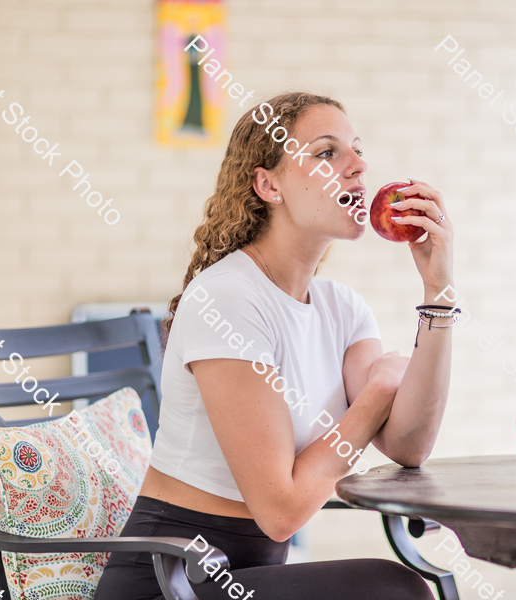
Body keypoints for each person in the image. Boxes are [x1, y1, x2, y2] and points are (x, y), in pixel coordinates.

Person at [94, 91, 456, 600]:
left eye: (357, 148)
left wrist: (438, 294)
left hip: (245, 582)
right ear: (269, 184)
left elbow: (408, 445)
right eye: (327, 152)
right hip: (168, 583)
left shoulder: (342, 308)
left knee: (396, 588)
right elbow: (281, 512)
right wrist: (376, 394)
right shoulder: (227, 299)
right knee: (396, 590)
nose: (359, 164)